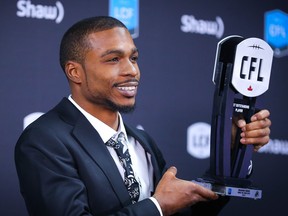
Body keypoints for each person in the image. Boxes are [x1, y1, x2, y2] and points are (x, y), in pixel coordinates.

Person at [15, 16, 271, 216]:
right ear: (75, 72)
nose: (132, 70)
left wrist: (234, 152)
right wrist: (157, 207)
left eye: (134, 58)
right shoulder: (43, 141)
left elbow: (181, 213)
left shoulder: (141, 142)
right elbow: (162, 208)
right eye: (114, 59)